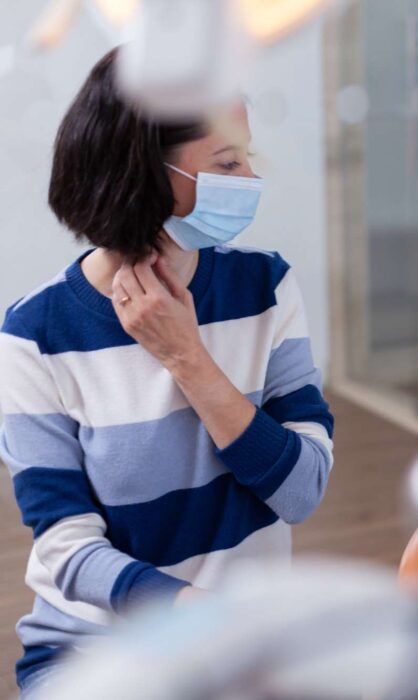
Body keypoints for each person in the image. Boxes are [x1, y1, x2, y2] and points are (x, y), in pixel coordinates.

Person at [0, 48, 334, 698]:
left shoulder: (266, 287)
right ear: (145, 173)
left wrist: (188, 358)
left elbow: (302, 493)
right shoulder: (34, 334)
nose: (250, 177)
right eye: (228, 162)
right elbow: (67, 548)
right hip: (100, 655)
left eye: (248, 157)